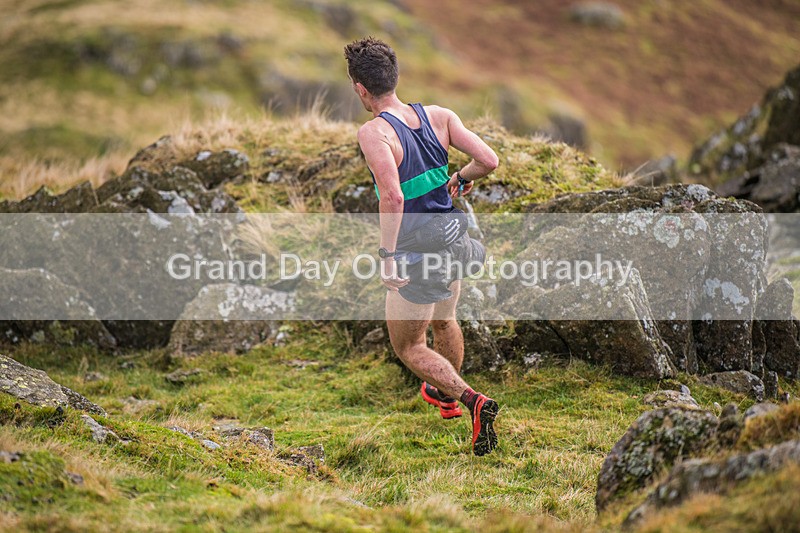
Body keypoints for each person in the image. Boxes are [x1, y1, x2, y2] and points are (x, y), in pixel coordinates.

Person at [344, 36, 501, 456]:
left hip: (418, 253)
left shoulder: (374, 133)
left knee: (409, 346)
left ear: (361, 89)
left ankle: (473, 402)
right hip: (455, 238)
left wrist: (388, 256)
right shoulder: (439, 116)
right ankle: (446, 399)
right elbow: (489, 160)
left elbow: (392, 197)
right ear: (394, 78)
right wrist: (462, 177)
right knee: (445, 322)